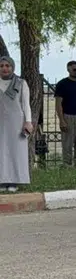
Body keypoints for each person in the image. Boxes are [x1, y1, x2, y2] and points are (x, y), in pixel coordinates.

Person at [0, 56, 33, 192]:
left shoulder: (21, 83)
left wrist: (28, 121)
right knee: (1, 150)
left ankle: (14, 181)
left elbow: (26, 104)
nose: (4, 68)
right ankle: (2, 181)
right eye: (1, 66)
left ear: (12, 67)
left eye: (7, 66)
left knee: (16, 151)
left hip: (17, 122)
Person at [54, 61, 76, 167]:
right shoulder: (62, 84)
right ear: (68, 69)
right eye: (74, 69)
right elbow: (58, 104)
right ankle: (67, 166)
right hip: (68, 117)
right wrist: (62, 120)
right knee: (67, 144)